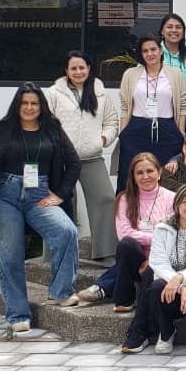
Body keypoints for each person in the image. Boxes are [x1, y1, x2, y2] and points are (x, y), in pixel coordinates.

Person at [0, 83, 80, 331]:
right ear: (17, 105)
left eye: (34, 103)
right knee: (10, 256)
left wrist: (60, 195)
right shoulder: (3, 129)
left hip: (39, 195)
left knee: (66, 231)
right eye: (24, 103)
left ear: (41, 106)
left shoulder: (53, 129)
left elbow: (74, 164)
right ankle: (18, 314)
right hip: (6, 197)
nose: (29, 107)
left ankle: (61, 291)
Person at [121, 183, 186, 355]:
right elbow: (158, 262)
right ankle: (166, 332)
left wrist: (181, 277)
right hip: (172, 291)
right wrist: (182, 286)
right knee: (156, 286)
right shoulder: (163, 227)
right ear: (177, 203)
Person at [74, 153, 175, 311]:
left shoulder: (172, 198)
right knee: (127, 244)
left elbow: (173, 235)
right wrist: (156, 236)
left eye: (150, 171)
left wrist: (152, 257)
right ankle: (125, 301)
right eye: (139, 173)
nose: (145, 176)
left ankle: (103, 288)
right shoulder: (125, 199)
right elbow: (125, 234)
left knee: (125, 262)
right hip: (134, 255)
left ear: (159, 172)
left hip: (162, 256)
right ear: (133, 177)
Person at [45, 50, 119, 260]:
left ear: (89, 68)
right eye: (73, 68)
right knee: (60, 201)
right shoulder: (53, 93)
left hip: (91, 157)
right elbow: (45, 122)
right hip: (61, 159)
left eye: (82, 67)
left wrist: (102, 140)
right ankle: (56, 254)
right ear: (66, 71)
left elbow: (112, 122)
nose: (78, 72)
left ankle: (106, 253)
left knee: (106, 199)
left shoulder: (100, 93)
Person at [117, 33, 186, 192]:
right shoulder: (131, 74)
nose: (150, 54)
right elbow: (124, 106)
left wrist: (181, 132)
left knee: (167, 175)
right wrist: (123, 133)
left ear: (161, 50)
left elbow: (182, 105)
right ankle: (127, 207)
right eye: (145, 51)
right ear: (141, 54)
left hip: (166, 128)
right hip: (137, 128)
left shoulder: (175, 73)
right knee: (130, 174)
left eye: (153, 49)